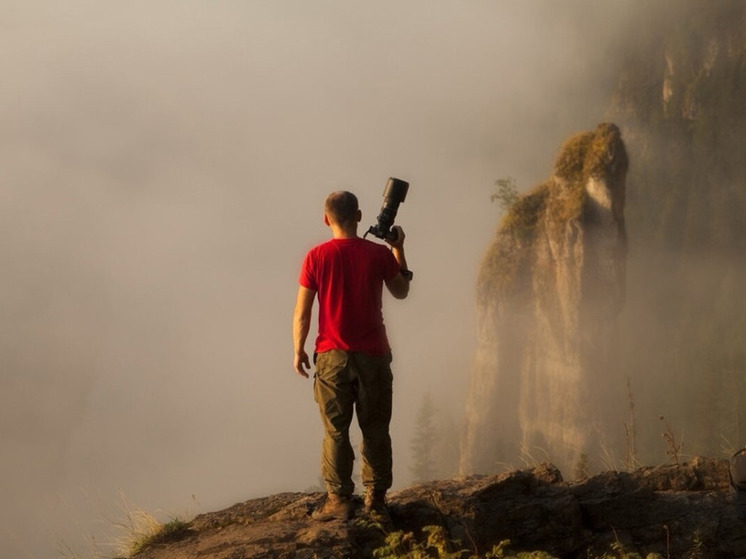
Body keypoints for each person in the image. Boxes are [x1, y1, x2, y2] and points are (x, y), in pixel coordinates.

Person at [293, 190, 411, 521]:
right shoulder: (378, 254)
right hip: (373, 353)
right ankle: (375, 500)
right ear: (359, 216)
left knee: (335, 429)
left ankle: (339, 500)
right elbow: (401, 291)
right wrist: (398, 248)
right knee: (375, 428)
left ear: (326, 218)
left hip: (331, 354)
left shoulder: (315, 257)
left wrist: (298, 349)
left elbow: (303, 312)